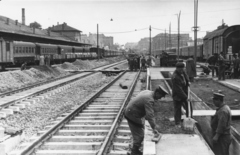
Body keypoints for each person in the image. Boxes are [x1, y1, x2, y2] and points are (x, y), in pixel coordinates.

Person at [124, 85, 169, 155]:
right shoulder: (149, 99)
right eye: (161, 96)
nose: (160, 98)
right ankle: (134, 152)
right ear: (157, 93)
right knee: (140, 135)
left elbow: (147, 112)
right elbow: (150, 115)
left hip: (132, 112)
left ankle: (134, 149)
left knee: (140, 130)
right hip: (132, 115)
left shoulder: (148, 92)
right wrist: (154, 127)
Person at [171, 62, 192, 127]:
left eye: (182, 69)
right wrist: (186, 97)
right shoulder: (175, 77)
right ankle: (177, 123)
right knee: (177, 109)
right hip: (177, 95)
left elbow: (186, 76)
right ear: (176, 68)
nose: (181, 71)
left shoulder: (183, 71)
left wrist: (188, 81)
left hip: (185, 92)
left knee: (189, 107)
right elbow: (178, 90)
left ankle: (190, 119)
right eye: (180, 69)